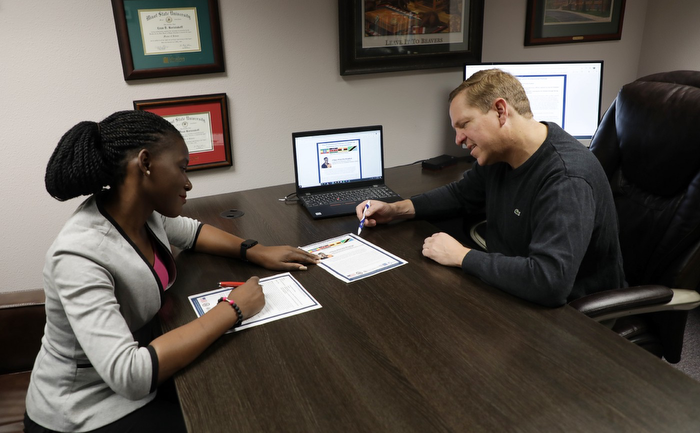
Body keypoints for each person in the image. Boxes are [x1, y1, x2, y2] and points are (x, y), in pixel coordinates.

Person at [25, 110, 320, 433]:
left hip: (142, 359)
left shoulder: (142, 213)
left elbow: (192, 232)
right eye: (181, 167)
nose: (188, 181)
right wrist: (234, 309)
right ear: (146, 163)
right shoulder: (79, 255)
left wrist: (255, 251)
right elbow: (130, 374)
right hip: (84, 406)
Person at [356, 69, 625, 307]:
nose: (459, 139)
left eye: (464, 125)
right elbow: (461, 195)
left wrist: (462, 256)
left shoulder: (566, 178)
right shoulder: (500, 154)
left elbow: (549, 282)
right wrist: (395, 210)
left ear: (500, 111)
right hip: (510, 290)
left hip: (573, 319)